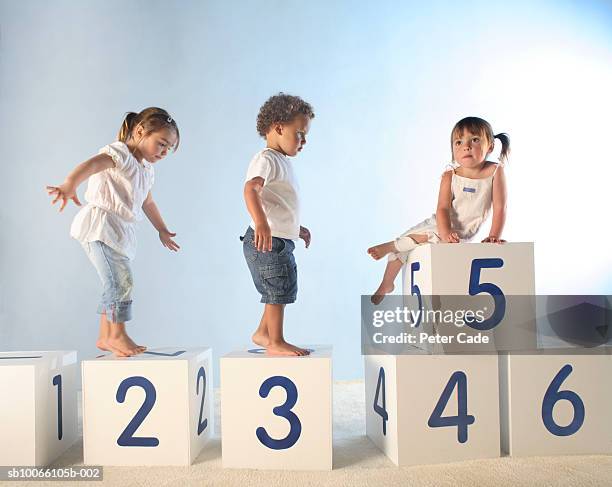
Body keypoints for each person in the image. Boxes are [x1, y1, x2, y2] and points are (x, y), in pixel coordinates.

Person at [46, 107, 180, 356]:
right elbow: (91, 165)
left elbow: (147, 202)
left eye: (168, 148)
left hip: (119, 230)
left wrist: (161, 229)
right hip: (101, 226)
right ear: (140, 131)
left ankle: (105, 336)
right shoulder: (120, 154)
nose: (164, 152)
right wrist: (69, 184)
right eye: (161, 144)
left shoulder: (145, 169)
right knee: (121, 281)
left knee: (115, 281)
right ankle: (117, 334)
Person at [368, 116, 510, 304]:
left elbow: (500, 206)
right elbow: (442, 208)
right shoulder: (450, 175)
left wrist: (494, 235)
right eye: (459, 142)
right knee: (410, 239)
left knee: (415, 241)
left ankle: (391, 246)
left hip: (463, 230)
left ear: (490, 146)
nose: (466, 146)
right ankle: (387, 283)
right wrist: (445, 231)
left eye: (474, 140)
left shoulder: (494, 171)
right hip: (442, 224)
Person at [242, 93, 315, 356]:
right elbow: (251, 189)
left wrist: (297, 229)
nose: (304, 141)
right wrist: (261, 223)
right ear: (279, 127)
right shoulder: (267, 159)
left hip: (281, 240)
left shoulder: (281, 161)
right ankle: (275, 340)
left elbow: (280, 205)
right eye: (300, 134)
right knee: (277, 290)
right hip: (266, 241)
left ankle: (263, 333)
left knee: (282, 288)